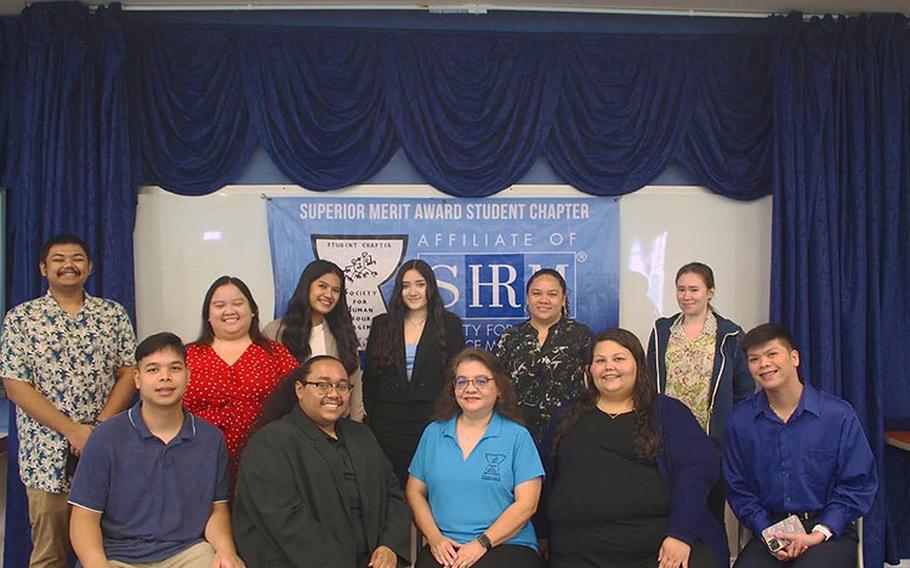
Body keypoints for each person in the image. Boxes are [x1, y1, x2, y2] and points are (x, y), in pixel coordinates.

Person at [0, 234, 136, 568]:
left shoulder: (112, 315)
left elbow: (130, 371)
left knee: (107, 551)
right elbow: (15, 386)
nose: (68, 265)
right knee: (49, 555)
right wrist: (73, 430)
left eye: (76, 258)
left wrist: (97, 429)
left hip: (103, 449)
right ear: (43, 268)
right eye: (58, 259)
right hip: (45, 457)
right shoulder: (21, 319)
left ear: (89, 267)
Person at [545, 328, 727, 568]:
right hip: (576, 551)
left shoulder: (669, 413)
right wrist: (539, 533)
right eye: (600, 360)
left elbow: (696, 472)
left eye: (619, 358)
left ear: (638, 366)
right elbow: (541, 477)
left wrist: (680, 534)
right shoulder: (566, 415)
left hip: (659, 549)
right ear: (589, 370)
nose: (609, 366)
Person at [69, 332, 245, 568]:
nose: (165, 377)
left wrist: (226, 551)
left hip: (187, 551)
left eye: (174, 368)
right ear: (137, 378)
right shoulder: (105, 437)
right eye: (153, 370)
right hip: (119, 555)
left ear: (188, 375)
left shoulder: (210, 439)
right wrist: (97, 564)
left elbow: (217, 509)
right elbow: (84, 517)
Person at [232, 355, 411, 568]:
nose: (334, 394)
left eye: (342, 386)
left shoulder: (362, 435)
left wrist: (389, 545)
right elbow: (285, 520)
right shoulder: (271, 442)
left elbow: (393, 494)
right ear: (299, 390)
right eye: (322, 385)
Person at [724, 324, 877, 568]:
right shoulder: (740, 422)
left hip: (826, 531)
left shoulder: (837, 415)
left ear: (794, 357)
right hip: (771, 529)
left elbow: (858, 483)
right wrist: (767, 531)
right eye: (754, 359)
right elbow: (738, 488)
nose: (763, 364)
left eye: (772, 354)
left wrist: (819, 532)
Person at [407, 348, 544, 568]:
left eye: (481, 381)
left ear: (499, 388)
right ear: (453, 390)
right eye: (462, 382)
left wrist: (482, 543)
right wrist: (434, 538)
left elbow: (527, 504)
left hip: (506, 545)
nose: (470, 389)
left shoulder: (517, 436)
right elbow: (414, 491)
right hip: (445, 546)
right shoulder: (434, 433)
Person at [646, 262, 754, 523]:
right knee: (668, 512)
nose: (687, 296)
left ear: (710, 292)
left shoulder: (730, 334)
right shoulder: (662, 331)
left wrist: (730, 429)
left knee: (709, 514)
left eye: (694, 289)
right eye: (681, 289)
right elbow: (649, 382)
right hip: (668, 438)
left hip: (711, 441)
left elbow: (745, 390)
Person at [183, 276, 298, 482]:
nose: (230, 311)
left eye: (238, 303)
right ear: (208, 315)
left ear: (253, 310)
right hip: (196, 463)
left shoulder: (276, 354)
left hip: (264, 463)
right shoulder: (186, 356)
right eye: (219, 305)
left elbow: (300, 402)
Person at [363, 259, 466, 486]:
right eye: (406, 285)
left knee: (429, 489)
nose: (413, 292)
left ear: (430, 287)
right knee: (392, 490)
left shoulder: (450, 325)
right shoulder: (383, 324)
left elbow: (456, 379)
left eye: (419, 284)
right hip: (387, 427)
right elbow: (369, 378)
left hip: (431, 422)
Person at [493, 268, 593, 446]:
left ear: (563, 299)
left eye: (552, 294)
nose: (544, 300)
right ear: (527, 298)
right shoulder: (510, 338)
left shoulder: (581, 336)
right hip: (518, 433)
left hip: (569, 432)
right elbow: (494, 385)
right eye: (536, 293)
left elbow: (595, 384)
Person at [263, 259, 364, 421]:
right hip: (289, 426)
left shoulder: (343, 333)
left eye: (336, 290)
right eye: (322, 286)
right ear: (307, 287)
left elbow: (355, 386)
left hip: (336, 425)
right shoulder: (275, 331)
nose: (328, 295)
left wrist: (357, 425)